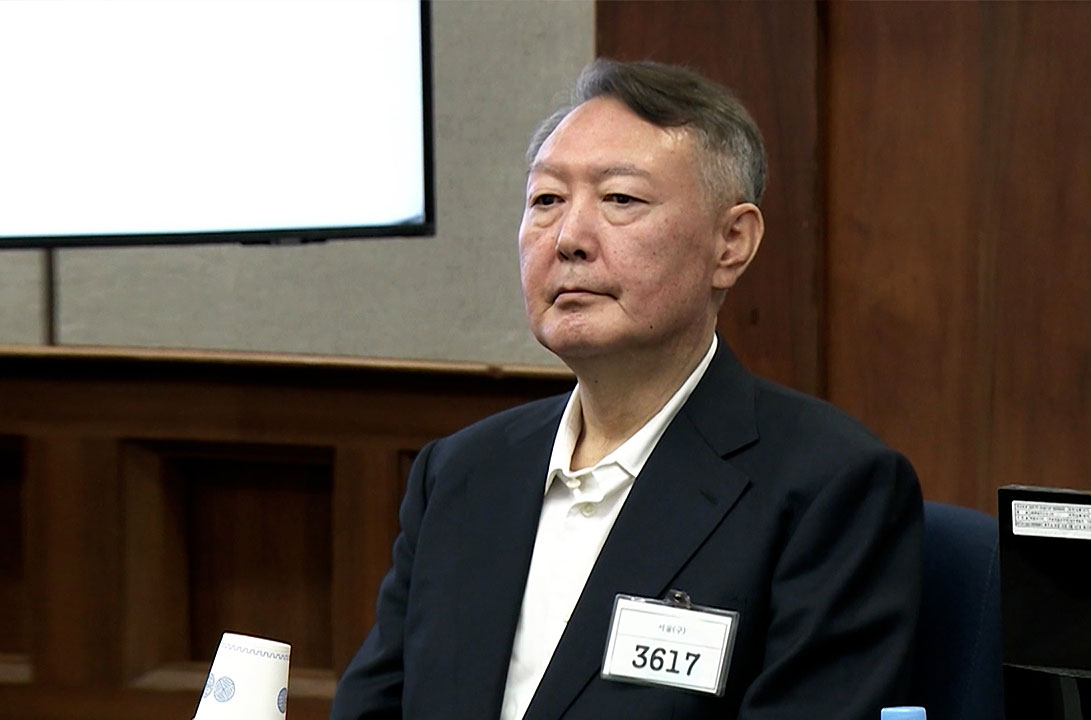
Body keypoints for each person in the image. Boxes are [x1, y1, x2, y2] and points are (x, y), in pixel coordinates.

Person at [330, 58, 922, 720]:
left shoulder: (828, 488)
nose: (569, 239)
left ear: (731, 242)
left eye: (620, 200)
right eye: (546, 201)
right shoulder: (463, 471)